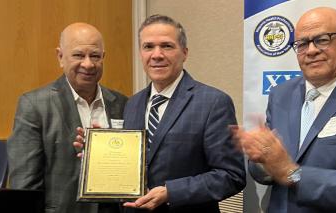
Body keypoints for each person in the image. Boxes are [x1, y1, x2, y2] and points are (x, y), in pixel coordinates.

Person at [74, 14, 246, 212]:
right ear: (140, 53)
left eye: (166, 46)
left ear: (184, 52)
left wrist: (171, 192)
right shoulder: (133, 104)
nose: (156, 54)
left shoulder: (214, 102)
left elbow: (231, 175)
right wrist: (99, 153)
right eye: (148, 47)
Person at [232, 7, 336, 213]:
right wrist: (263, 161)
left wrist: (292, 173)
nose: (311, 51)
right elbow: (264, 172)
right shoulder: (280, 95)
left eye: (322, 39)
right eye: (302, 43)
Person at [7, 22, 128, 213]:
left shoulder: (123, 104)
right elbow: (24, 187)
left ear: (103, 58)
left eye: (95, 56)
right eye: (78, 55)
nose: (88, 64)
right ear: (60, 57)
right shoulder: (34, 105)